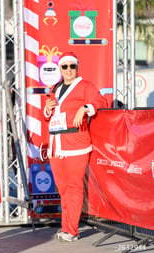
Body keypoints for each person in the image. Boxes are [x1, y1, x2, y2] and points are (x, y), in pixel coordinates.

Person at [44, 52, 108, 242]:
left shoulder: (85, 86)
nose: (69, 70)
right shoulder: (55, 88)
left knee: (74, 187)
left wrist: (85, 107)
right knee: (63, 189)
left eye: (72, 66)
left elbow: (101, 101)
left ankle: (71, 230)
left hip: (76, 143)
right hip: (56, 144)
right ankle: (66, 227)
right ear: (60, 69)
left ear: (77, 68)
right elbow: (50, 116)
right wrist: (48, 108)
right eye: (65, 66)